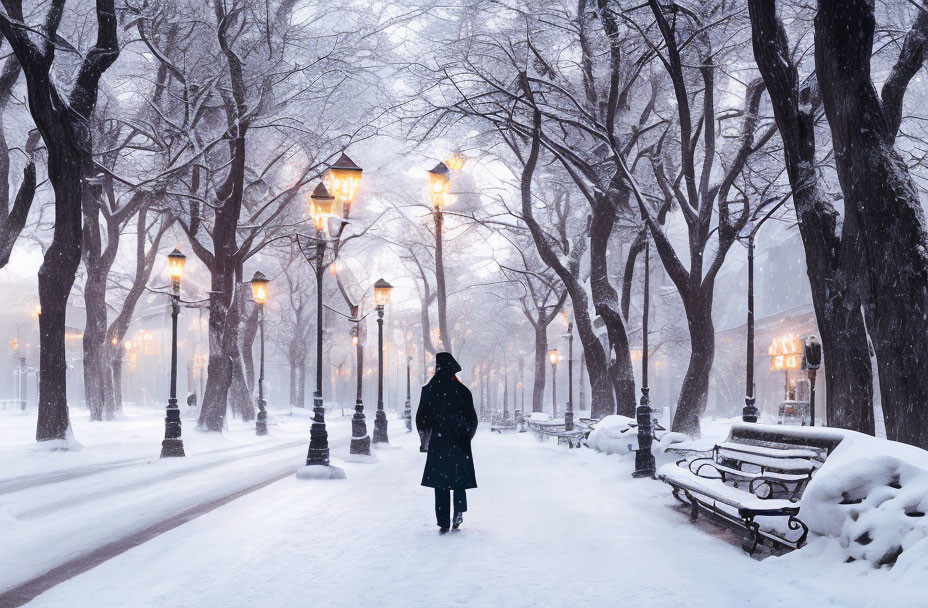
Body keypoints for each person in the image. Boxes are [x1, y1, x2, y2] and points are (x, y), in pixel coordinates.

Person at [415, 352, 478, 534]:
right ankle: (458, 513)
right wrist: (466, 435)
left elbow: (421, 418)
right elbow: (472, 419)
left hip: (439, 442)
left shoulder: (429, 390)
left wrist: (427, 437)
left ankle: (442, 521)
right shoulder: (463, 391)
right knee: (458, 480)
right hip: (458, 441)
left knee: (441, 483)